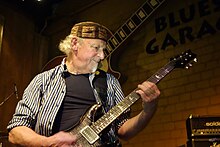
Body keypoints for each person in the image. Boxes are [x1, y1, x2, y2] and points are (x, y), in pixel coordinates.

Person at [7, 21, 160, 147]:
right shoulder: (43, 80)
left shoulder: (110, 82)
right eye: (96, 48)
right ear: (75, 44)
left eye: (104, 50)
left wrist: (148, 109)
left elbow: (123, 131)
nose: (102, 56)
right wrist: (47, 142)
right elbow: (15, 132)